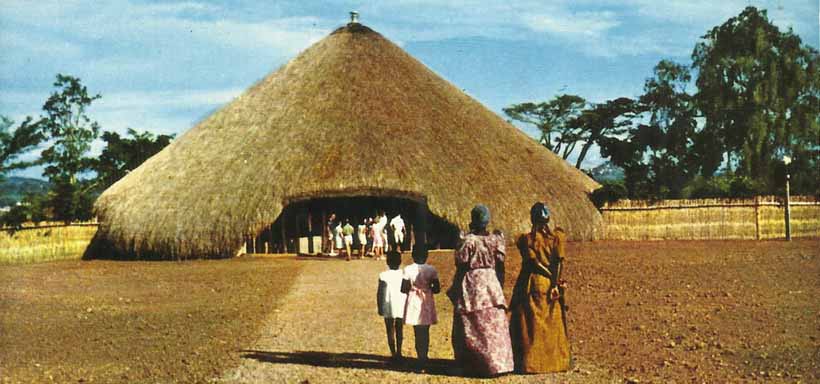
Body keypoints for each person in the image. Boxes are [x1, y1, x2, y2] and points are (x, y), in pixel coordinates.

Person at [447, 204, 514, 377]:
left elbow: (461, 265)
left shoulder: (468, 241)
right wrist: (499, 285)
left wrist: (456, 287)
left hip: (473, 283)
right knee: (493, 321)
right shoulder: (495, 240)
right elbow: (501, 266)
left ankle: (475, 363)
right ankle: (499, 363)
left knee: (472, 322)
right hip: (491, 282)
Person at [509, 202, 571, 373]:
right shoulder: (557, 238)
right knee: (551, 321)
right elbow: (558, 262)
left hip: (534, 282)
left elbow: (533, 263)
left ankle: (531, 363)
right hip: (550, 284)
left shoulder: (527, 240)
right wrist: (555, 283)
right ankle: (555, 362)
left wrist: (549, 277)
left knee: (531, 323)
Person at [401, 245, 439, 371]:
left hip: (413, 299)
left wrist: (413, 288)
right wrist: (427, 287)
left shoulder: (408, 269)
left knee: (417, 330)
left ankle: (419, 357)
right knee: (425, 330)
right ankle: (425, 357)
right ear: (426, 255)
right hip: (426, 299)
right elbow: (437, 289)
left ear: (413, 255)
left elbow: (403, 288)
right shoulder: (431, 269)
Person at [377, 250, 407, 363]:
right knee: (399, 328)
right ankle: (399, 351)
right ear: (400, 261)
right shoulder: (403, 273)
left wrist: (380, 306)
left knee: (389, 329)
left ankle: (393, 353)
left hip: (388, 302)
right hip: (400, 302)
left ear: (387, 262)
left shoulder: (383, 275)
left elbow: (380, 292)